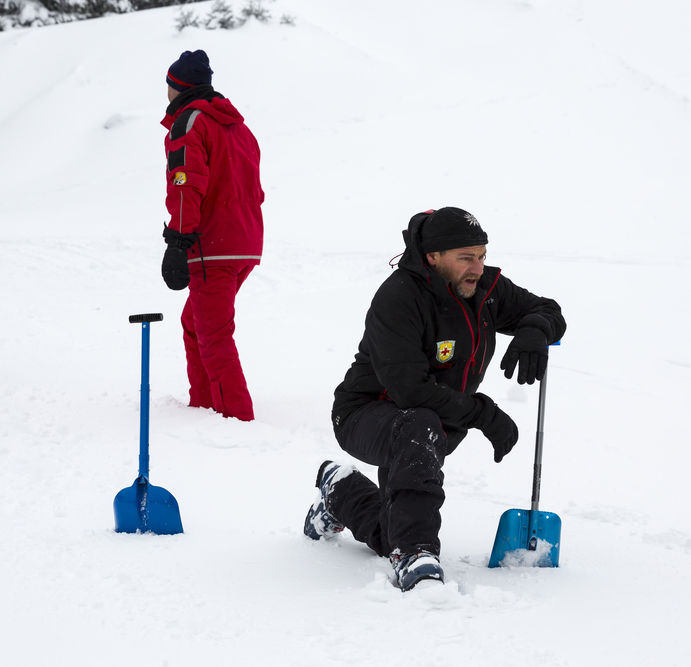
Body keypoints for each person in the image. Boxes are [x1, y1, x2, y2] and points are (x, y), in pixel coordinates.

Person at [303, 207, 566, 591]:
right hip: (366, 414)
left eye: (481, 256)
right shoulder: (399, 298)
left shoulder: (485, 290)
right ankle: (415, 553)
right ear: (432, 256)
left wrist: (535, 330)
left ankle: (340, 490)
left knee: (388, 531)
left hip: (432, 421)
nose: (476, 267)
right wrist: (483, 413)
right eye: (465, 258)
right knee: (419, 425)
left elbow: (548, 309)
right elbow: (411, 391)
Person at [159, 50, 264, 421]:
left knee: (214, 334)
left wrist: (179, 240)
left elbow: (186, 185)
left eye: (168, 86)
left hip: (212, 245)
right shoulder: (239, 127)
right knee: (195, 322)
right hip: (245, 243)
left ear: (178, 87)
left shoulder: (189, 122)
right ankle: (203, 405)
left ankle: (235, 419)